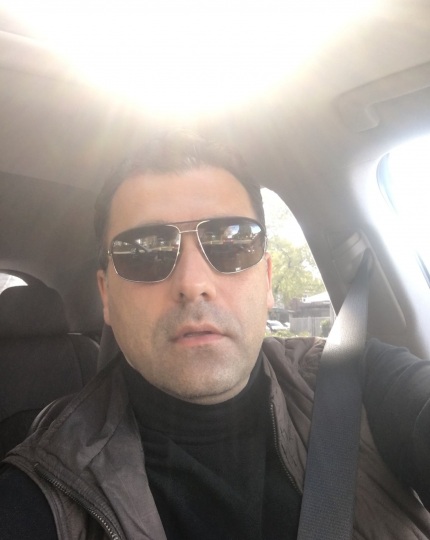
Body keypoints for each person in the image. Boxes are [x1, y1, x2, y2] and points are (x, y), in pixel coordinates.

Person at [1, 130, 430, 539]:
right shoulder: (45, 489)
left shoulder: (358, 378)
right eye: (145, 252)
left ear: (266, 278)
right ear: (106, 296)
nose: (193, 283)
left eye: (231, 243)